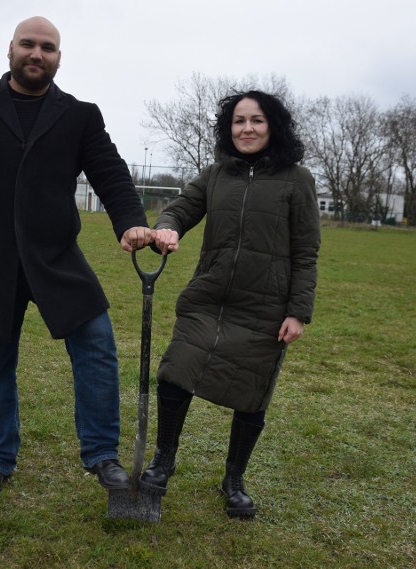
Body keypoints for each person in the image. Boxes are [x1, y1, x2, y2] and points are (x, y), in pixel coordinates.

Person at [0, 16, 153, 500]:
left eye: (48, 47)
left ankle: (102, 454)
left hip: (57, 257)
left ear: (58, 57)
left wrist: (131, 221)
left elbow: (110, 172)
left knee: (98, 347)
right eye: (29, 44)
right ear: (10, 49)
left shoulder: (79, 115)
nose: (37, 54)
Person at [142, 90, 320, 518]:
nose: (247, 128)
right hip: (208, 297)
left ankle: (234, 480)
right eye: (239, 121)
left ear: (272, 126)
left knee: (252, 396)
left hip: (265, 308)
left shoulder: (298, 180)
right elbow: (181, 209)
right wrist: (166, 228)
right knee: (175, 373)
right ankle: (163, 460)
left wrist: (298, 311)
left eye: (256, 120)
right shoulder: (216, 174)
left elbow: (307, 250)